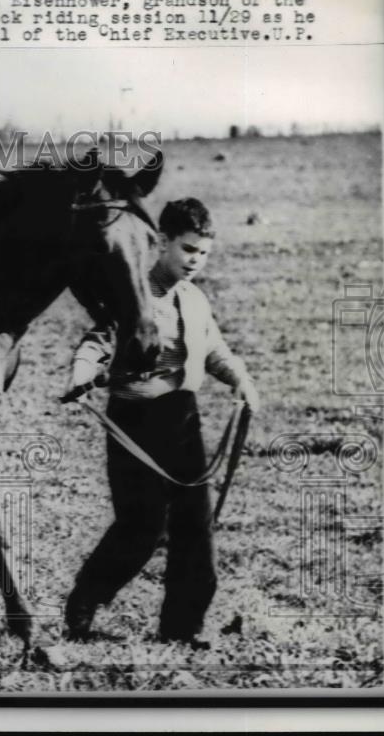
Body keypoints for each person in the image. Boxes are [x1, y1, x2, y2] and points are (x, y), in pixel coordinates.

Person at [63, 197, 260, 649]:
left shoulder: (194, 298)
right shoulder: (134, 295)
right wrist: (81, 374)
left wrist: (242, 380)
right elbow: (97, 342)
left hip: (182, 420)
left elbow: (214, 351)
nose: (196, 261)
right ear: (163, 242)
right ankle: (86, 599)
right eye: (188, 249)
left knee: (196, 526)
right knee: (142, 526)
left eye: (204, 253)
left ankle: (182, 628)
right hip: (134, 420)